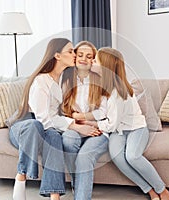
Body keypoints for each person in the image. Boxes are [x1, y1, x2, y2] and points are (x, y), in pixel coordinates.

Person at [83, 47, 169, 200]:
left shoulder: (117, 93)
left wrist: (93, 124)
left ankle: (162, 190)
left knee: (132, 157)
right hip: (118, 131)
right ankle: (150, 190)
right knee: (118, 157)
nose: (92, 61)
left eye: (95, 60)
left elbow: (110, 124)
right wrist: (88, 119)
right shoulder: (103, 87)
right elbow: (106, 115)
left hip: (135, 129)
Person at [9, 38, 95, 200]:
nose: (75, 55)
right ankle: (21, 175)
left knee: (55, 137)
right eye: (70, 51)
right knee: (36, 126)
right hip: (26, 128)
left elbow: (60, 115)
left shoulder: (64, 79)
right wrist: (74, 127)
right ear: (57, 55)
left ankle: (55, 196)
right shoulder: (41, 81)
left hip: (48, 129)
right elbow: (43, 119)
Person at [61, 41, 109, 200]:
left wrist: (83, 119)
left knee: (84, 156)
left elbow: (103, 112)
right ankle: (77, 183)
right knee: (68, 140)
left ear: (93, 61)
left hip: (98, 129)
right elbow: (60, 110)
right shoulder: (65, 78)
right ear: (74, 57)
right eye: (80, 55)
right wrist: (76, 124)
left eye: (89, 56)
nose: (83, 59)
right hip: (74, 127)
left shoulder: (100, 80)